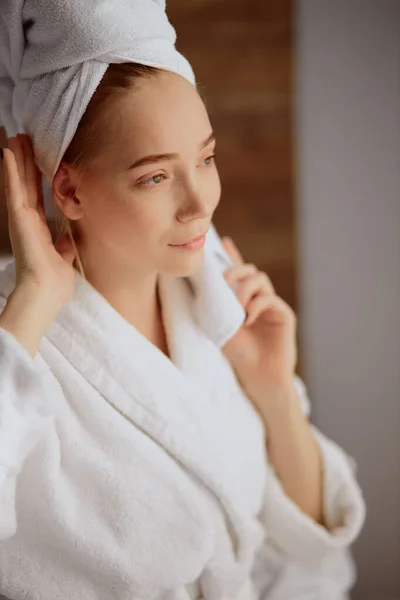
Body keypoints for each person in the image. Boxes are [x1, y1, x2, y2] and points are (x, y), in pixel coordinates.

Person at [0, 4, 365, 600]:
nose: (201, 202)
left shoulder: (216, 305)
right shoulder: (17, 337)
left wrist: (275, 394)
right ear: (68, 188)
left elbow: (309, 542)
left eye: (206, 158)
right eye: (155, 177)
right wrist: (34, 301)